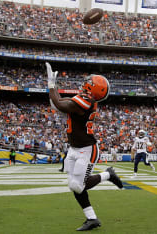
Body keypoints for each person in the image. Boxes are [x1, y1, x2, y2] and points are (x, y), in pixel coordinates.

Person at [46, 62, 123, 231]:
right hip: (74, 148)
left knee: (77, 186)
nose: (84, 84)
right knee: (73, 185)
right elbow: (58, 103)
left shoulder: (86, 100)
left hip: (87, 150)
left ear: (93, 88)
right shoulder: (84, 99)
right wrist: (53, 91)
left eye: (89, 82)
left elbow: (59, 104)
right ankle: (92, 218)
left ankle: (107, 175)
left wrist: (52, 85)